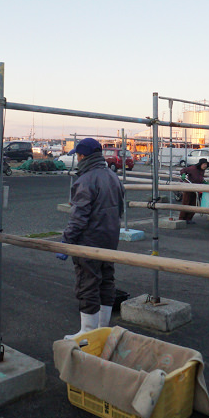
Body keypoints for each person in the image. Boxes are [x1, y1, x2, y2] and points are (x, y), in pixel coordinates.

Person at [57, 137, 126, 339]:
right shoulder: (113, 177)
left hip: (89, 241)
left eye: (77, 155)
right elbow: (120, 210)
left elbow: (78, 217)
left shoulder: (85, 180)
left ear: (83, 156)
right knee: (106, 281)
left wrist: (66, 242)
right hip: (110, 239)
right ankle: (103, 329)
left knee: (87, 283)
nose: (77, 159)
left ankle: (87, 333)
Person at [178, 158, 209, 222]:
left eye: (206, 164)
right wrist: (183, 174)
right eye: (204, 164)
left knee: (194, 204)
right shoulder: (193, 168)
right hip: (189, 188)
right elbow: (183, 170)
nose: (205, 166)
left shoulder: (202, 170)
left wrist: (204, 182)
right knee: (186, 203)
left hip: (197, 188)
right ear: (200, 164)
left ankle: (189, 219)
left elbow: (200, 178)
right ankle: (181, 219)